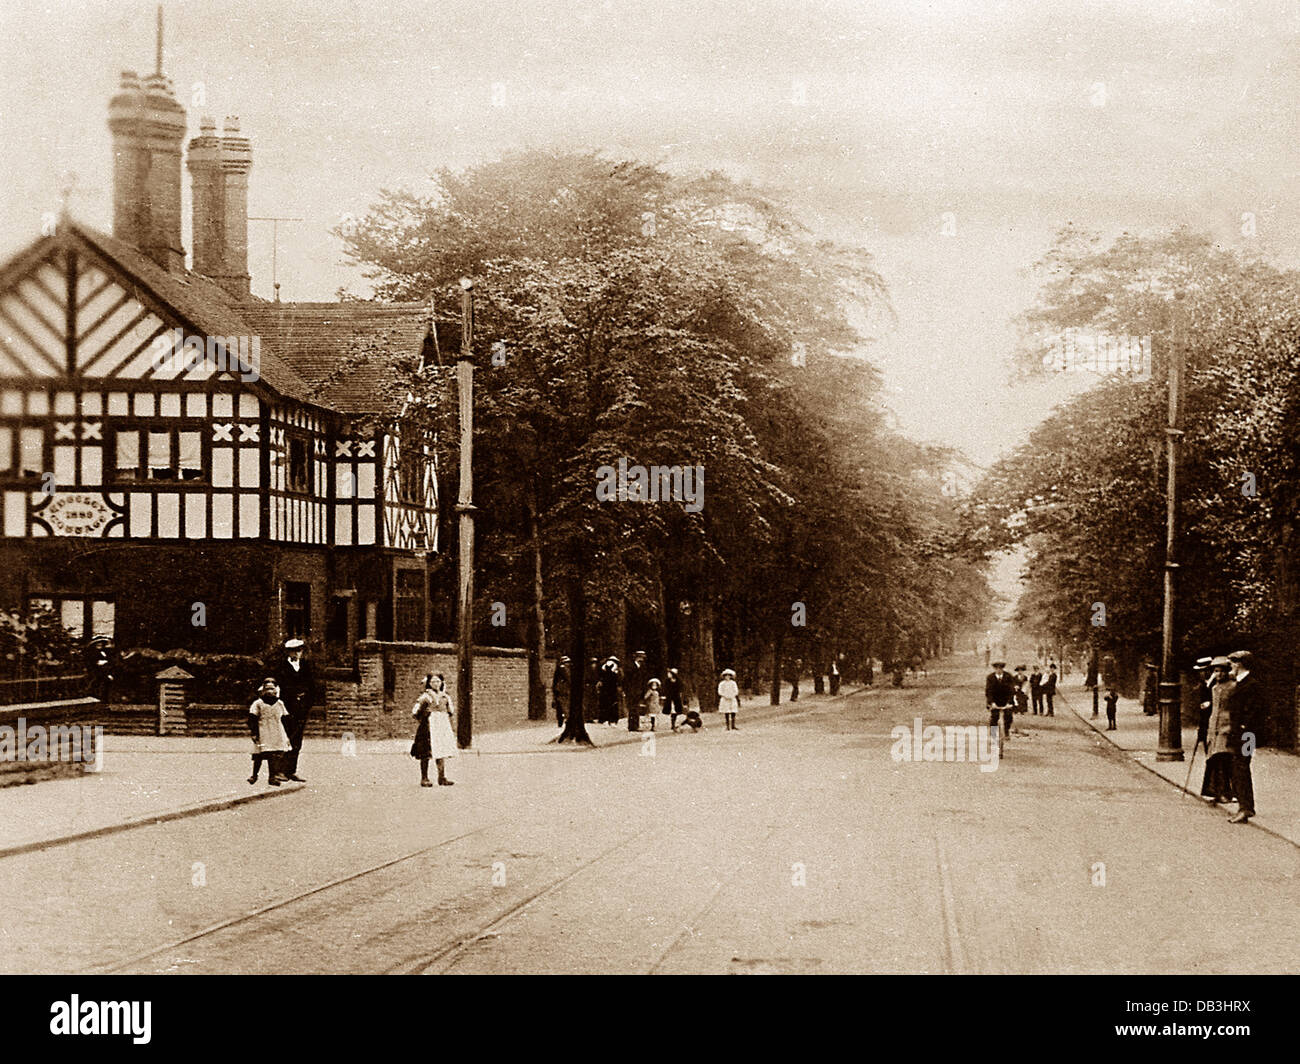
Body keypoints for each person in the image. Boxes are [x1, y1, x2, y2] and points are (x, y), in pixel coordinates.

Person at [1223, 651, 1262, 823]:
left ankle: (1246, 808)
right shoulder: (1239, 683)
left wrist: (1243, 727)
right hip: (1240, 734)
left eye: (1232, 663)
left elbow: (1255, 711)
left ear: (1239, 664)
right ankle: (1244, 806)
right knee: (1239, 767)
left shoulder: (1252, 684)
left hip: (1247, 735)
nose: (1230, 666)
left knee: (1242, 768)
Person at [273, 638, 316, 783]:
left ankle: (291, 770)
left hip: (302, 708)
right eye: (294, 650)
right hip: (287, 707)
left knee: (297, 740)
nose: (297, 653)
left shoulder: (305, 665)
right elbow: (280, 686)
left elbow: (312, 685)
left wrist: (307, 703)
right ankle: (280, 771)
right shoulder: (281, 667)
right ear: (288, 652)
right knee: (285, 738)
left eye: (299, 650)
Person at [1200, 657, 1235, 806]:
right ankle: (1215, 791)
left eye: (1221, 671)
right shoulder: (1214, 688)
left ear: (1227, 672)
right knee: (1213, 760)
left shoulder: (1233, 687)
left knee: (1223, 759)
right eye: (1216, 671)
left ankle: (1226, 792)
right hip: (1213, 727)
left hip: (1226, 727)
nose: (1219, 674)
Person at [411, 673, 456, 786]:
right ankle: (424, 778)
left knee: (441, 750)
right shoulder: (425, 697)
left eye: (438, 681)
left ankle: (441, 777)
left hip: (441, 725)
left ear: (441, 683)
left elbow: (451, 711)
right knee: (426, 751)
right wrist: (425, 717)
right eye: (433, 682)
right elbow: (415, 711)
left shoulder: (445, 697)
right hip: (428, 726)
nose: (436, 684)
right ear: (429, 683)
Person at [248, 678, 291, 786]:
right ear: (263, 689)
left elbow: (285, 718)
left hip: (276, 730)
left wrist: (287, 734)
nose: (269, 691)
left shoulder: (279, 703)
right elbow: (252, 718)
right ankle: (254, 775)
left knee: (274, 755)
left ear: (276, 689)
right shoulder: (258, 703)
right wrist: (254, 733)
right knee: (259, 754)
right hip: (263, 731)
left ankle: (272, 777)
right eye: (267, 688)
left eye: (272, 688)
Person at [985, 660, 1015, 745]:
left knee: (1009, 716)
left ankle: (1006, 730)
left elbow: (1011, 690)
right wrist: (991, 703)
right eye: (997, 668)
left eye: (1000, 668)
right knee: (994, 717)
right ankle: (993, 735)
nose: (998, 670)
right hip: (995, 701)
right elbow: (988, 691)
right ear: (994, 669)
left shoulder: (1008, 676)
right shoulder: (990, 677)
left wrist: (1009, 702)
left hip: (1006, 701)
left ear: (1003, 669)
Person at [1192, 656, 1214, 753]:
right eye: (1200, 671)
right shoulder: (1202, 685)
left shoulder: (1215, 683)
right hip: (1205, 723)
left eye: (1205, 670)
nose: (1203, 673)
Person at [597, 657, 622, 725]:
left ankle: (606, 719)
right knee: (611, 704)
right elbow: (620, 679)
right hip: (611, 689)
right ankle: (611, 720)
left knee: (606, 704)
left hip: (607, 689)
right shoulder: (616, 669)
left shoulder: (603, 668)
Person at [627, 650, 648, 732]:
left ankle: (636, 725)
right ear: (636, 658)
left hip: (639, 691)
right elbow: (627, 680)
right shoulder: (630, 667)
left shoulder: (642, 667)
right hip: (632, 691)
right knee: (632, 708)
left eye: (642, 658)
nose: (641, 660)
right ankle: (632, 726)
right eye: (640, 657)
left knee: (636, 708)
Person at [551, 656, 571, 728]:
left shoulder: (560, 667)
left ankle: (561, 720)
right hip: (564, 689)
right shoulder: (565, 668)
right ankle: (565, 718)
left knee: (561, 706)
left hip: (560, 689)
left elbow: (555, 680)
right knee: (564, 705)